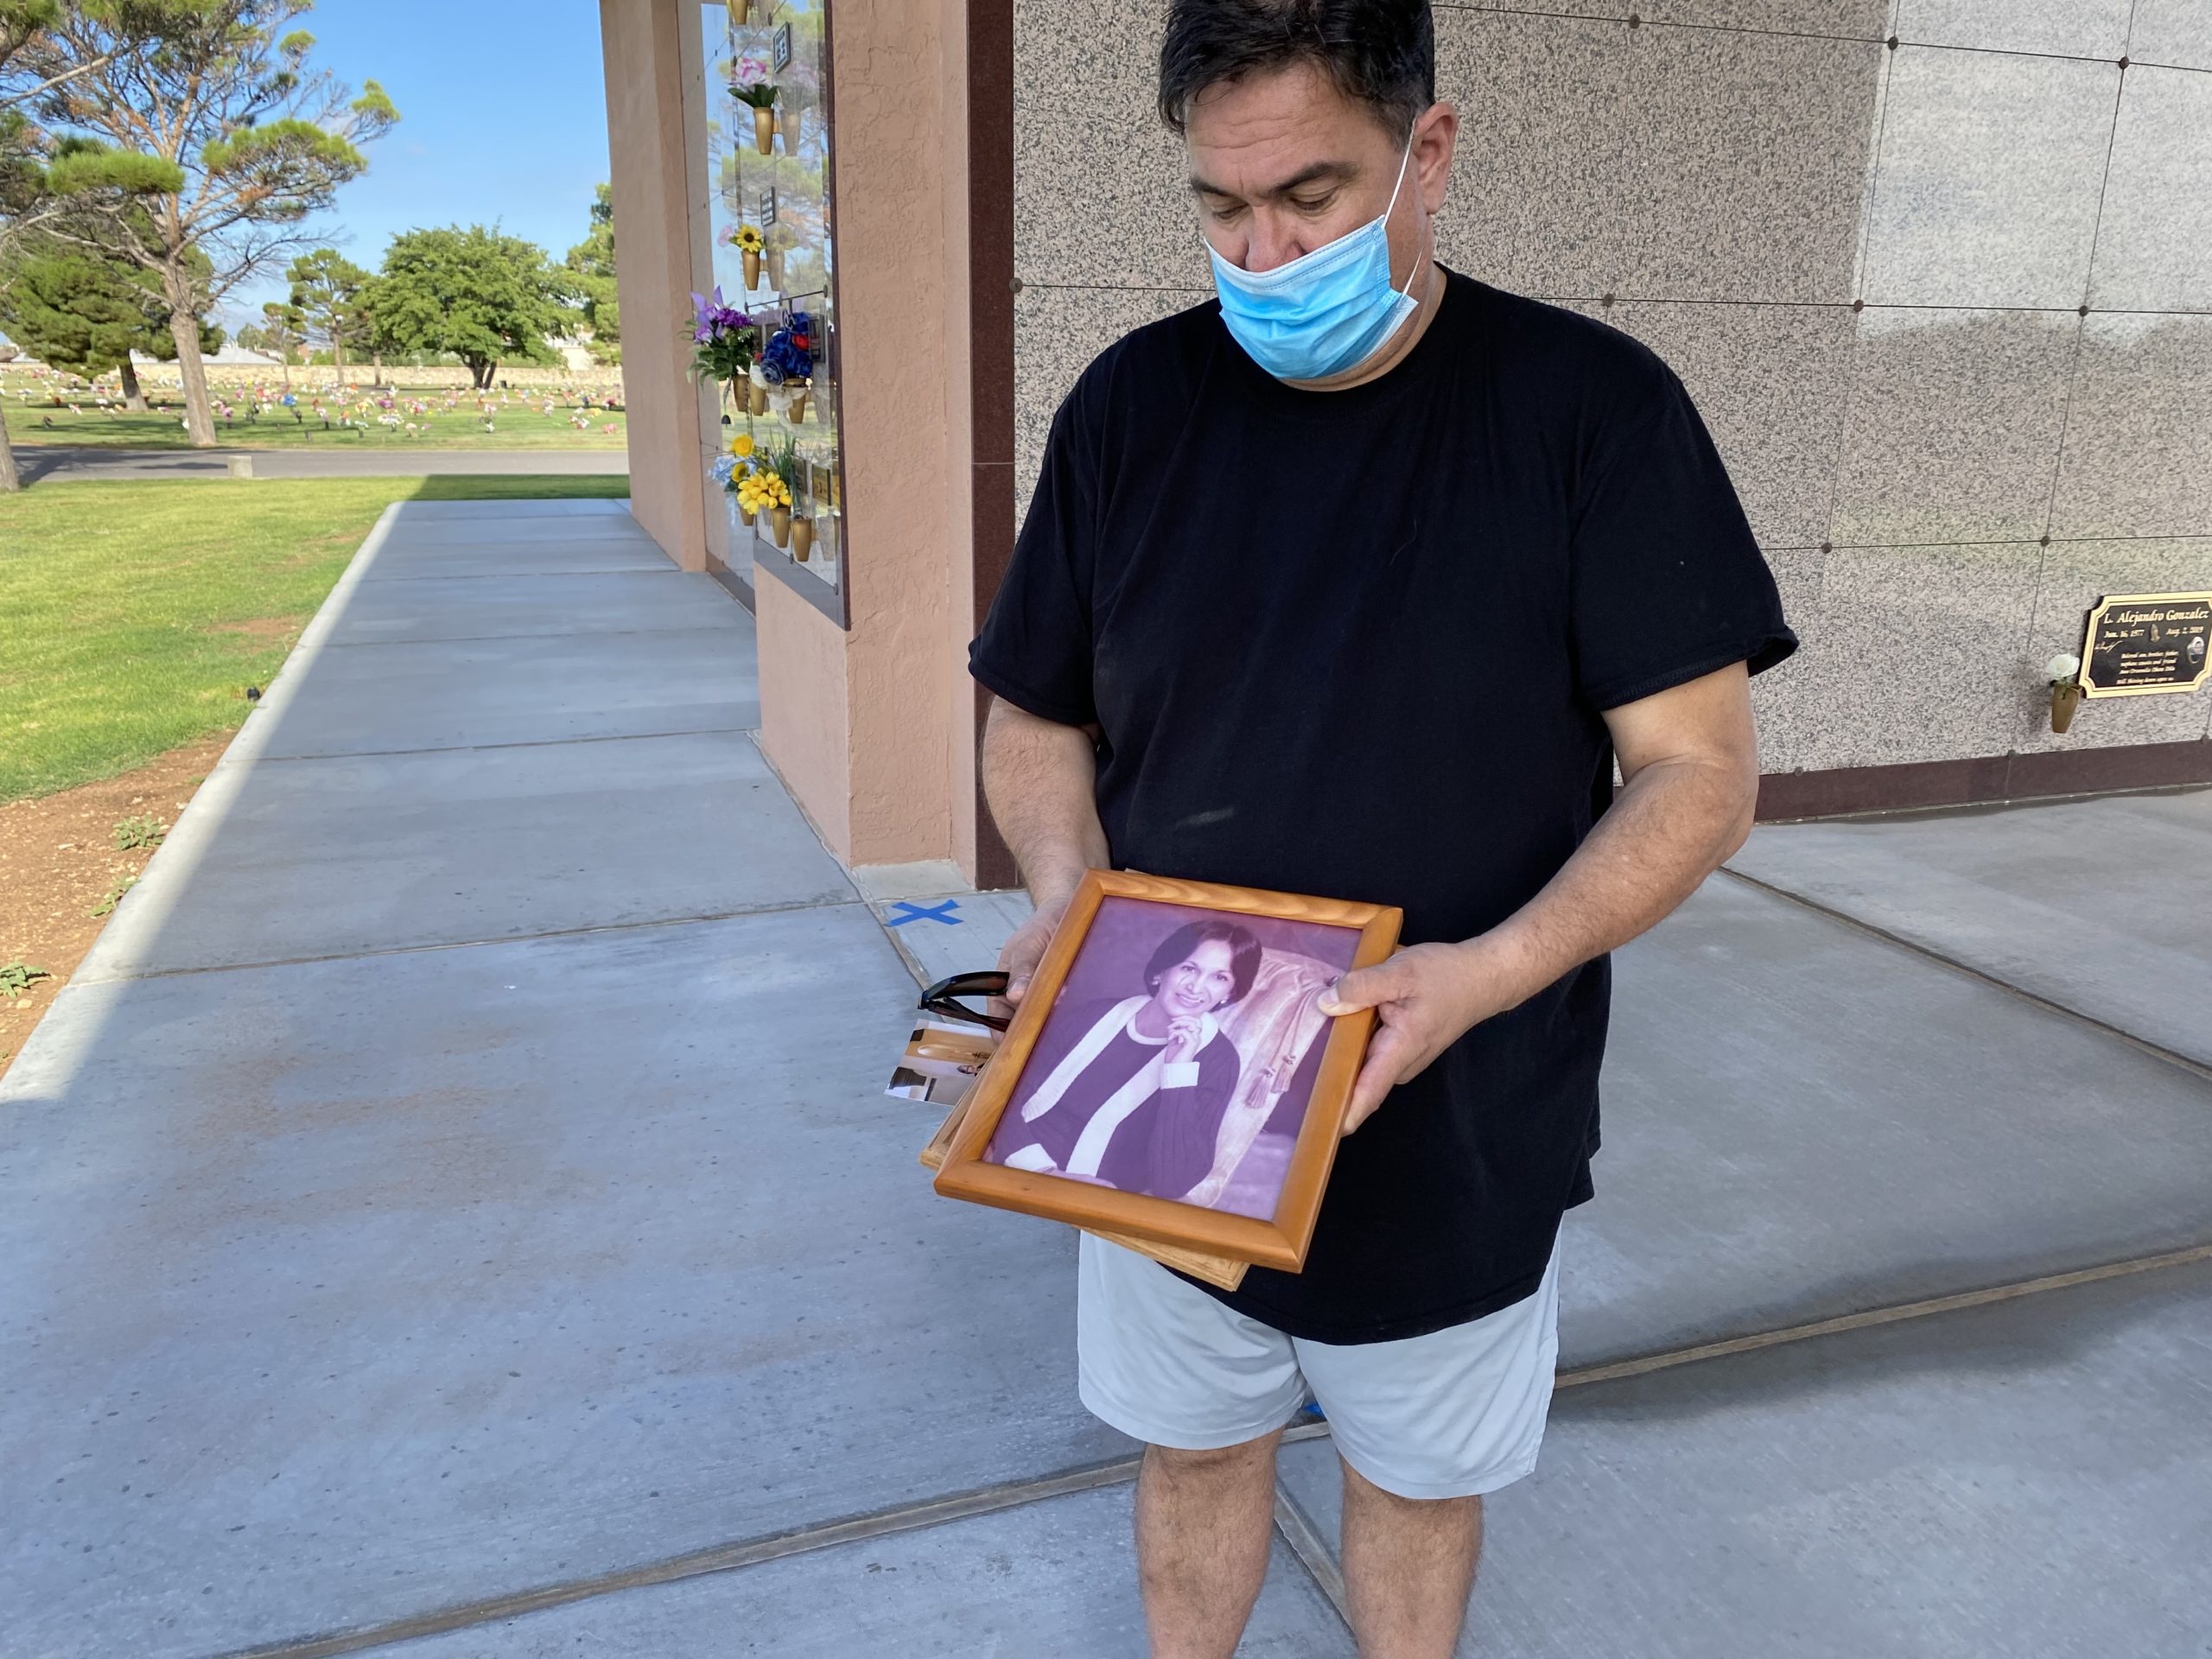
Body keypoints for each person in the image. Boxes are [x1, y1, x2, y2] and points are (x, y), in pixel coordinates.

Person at [968, 1, 1796, 1653]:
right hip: (1166, 1103)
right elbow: (1036, 711)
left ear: (1429, 149)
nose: (1264, 251)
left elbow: (1698, 770)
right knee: (1192, 1454)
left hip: (1459, 1113)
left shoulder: (1592, 412)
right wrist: (1066, 892)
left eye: (1314, 197)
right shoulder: (1131, 409)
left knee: (1416, 1488)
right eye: (1222, 207)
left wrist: (1488, 972)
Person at [988, 920, 1257, 1201]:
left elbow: (1173, 1184)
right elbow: (1007, 1095)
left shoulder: (1218, 1061)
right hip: (1012, 1159)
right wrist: (1043, 1171)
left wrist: (1179, 1073)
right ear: (1162, 971)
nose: (1196, 987)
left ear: (1229, 994)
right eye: (1189, 968)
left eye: (1220, 978)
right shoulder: (1091, 1015)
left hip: (1092, 1200)